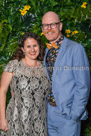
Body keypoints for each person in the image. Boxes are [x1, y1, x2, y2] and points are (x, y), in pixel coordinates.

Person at [42, 11, 90, 136]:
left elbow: (83, 85)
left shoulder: (76, 49)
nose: (49, 28)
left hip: (67, 115)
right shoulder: (47, 50)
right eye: (45, 25)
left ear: (60, 26)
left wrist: (75, 114)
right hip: (49, 113)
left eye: (53, 24)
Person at [0, 32, 49, 136]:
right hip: (16, 118)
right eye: (28, 46)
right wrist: (2, 119)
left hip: (39, 120)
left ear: (39, 46)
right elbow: (2, 91)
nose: (32, 50)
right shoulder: (14, 65)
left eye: (35, 46)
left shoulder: (45, 68)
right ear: (22, 49)